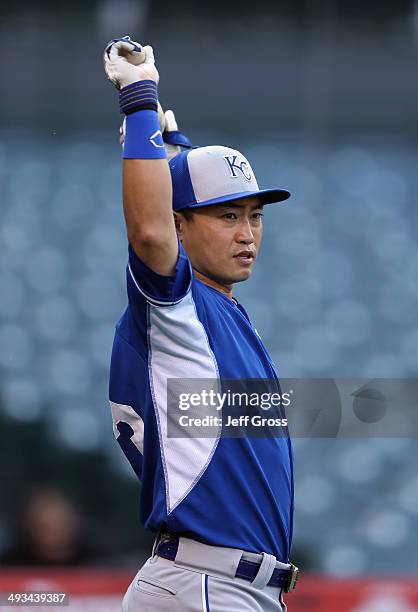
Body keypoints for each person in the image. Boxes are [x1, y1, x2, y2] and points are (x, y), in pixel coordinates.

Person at [104, 36, 297, 611]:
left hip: (225, 585)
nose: (248, 233)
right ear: (182, 225)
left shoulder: (214, 310)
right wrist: (139, 102)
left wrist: (172, 153)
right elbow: (150, 232)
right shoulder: (176, 306)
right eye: (228, 216)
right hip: (205, 582)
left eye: (255, 216)